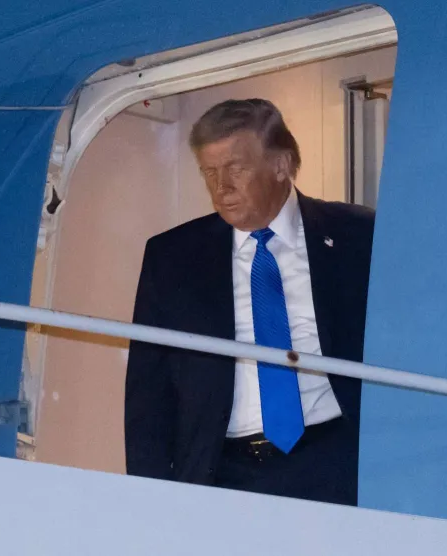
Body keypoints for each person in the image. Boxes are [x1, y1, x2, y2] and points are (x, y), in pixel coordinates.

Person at [123, 98, 375, 506]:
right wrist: (149, 500)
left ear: (280, 165)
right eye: (209, 172)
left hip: (338, 461)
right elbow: (149, 394)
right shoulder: (172, 258)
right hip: (224, 473)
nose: (220, 188)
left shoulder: (357, 235)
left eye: (235, 169)